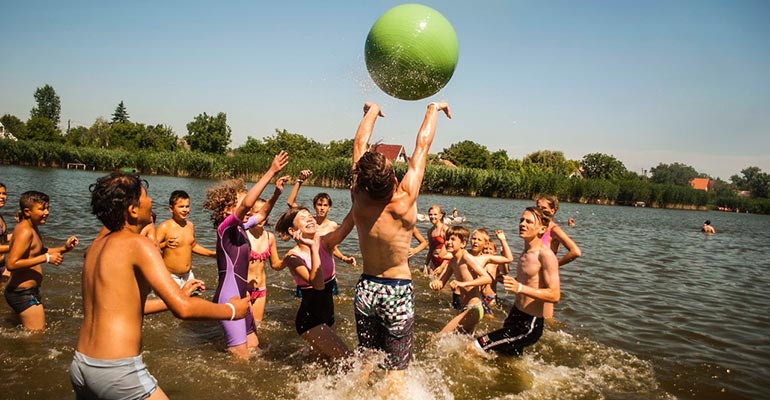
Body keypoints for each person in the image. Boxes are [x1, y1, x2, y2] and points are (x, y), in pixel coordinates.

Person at [70, 173, 250, 400]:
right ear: (133, 210)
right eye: (146, 197)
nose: (152, 201)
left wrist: (174, 297)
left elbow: (136, 307)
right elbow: (183, 309)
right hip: (117, 370)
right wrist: (233, 310)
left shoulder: (95, 248)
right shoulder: (138, 244)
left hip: (82, 366)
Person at [350, 101, 451, 390]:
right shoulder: (405, 198)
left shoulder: (359, 196)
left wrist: (371, 110)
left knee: (366, 361)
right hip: (397, 291)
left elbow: (359, 142)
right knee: (396, 373)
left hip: (366, 290)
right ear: (394, 178)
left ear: (362, 180)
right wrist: (433, 108)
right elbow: (422, 147)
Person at [202, 151, 289, 360]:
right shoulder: (225, 229)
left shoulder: (242, 227)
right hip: (229, 298)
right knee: (240, 356)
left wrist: (276, 194)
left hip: (243, 297)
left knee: (254, 346)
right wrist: (270, 171)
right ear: (226, 210)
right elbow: (248, 205)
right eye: (240, 202)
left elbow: (261, 214)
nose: (247, 209)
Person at [469, 206, 560, 356]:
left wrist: (519, 287)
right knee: (507, 358)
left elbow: (554, 295)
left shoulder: (546, 256)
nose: (522, 224)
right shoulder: (525, 252)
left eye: (529, 222)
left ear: (542, 229)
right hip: (515, 314)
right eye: (521, 220)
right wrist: (509, 281)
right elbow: (531, 281)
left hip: (529, 324)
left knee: (473, 347)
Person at [274, 206, 354, 358]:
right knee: (349, 360)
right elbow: (318, 285)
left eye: (310, 215)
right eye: (303, 218)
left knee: (328, 363)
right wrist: (312, 247)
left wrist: (356, 198)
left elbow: (347, 226)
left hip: (328, 316)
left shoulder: (325, 242)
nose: (310, 218)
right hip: (310, 321)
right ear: (292, 231)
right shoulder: (292, 257)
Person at [4, 191, 78, 330]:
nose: (47, 212)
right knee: (37, 337)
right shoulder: (25, 231)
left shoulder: (33, 227)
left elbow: (39, 251)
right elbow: (12, 263)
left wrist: (65, 248)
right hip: (22, 293)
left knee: (22, 332)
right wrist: (46, 258)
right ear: (27, 211)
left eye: (47, 208)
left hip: (26, 290)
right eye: (42, 209)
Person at [429, 226, 492, 335]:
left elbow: (487, 278)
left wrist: (462, 284)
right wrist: (435, 283)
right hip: (465, 308)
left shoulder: (466, 257)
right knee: (466, 345)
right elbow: (441, 283)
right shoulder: (452, 261)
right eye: (447, 239)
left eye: (453, 239)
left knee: (440, 337)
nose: (448, 242)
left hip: (474, 308)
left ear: (463, 244)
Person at [286, 169, 357, 266]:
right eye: (319, 205)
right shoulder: (308, 223)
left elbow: (333, 248)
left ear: (329, 208)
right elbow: (290, 202)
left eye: (325, 205)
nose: (322, 208)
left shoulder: (332, 225)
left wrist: (344, 258)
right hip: (309, 264)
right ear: (314, 206)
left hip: (326, 265)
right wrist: (300, 180)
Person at [155, 190, 216, 288]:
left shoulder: (190, 225)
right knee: (175, 303)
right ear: (171, 209)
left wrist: (211, 254)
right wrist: (164, 244)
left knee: (194, 300)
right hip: (171, 275)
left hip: (188, 275)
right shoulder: (164, 227)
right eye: (181, 207)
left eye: (187, 206)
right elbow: (152, 248)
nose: (185, 210)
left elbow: (193, 245)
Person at [536, 195, 581, 320]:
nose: (539, 210)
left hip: (546, 277)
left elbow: (575, 251)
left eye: (543, 208)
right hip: (534, 275)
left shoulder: (554, 230)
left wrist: (555, 264)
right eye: (538, 207)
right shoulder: (536, 227)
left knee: (546, 320)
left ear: (553, 210)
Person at [245, 198, 283, 325]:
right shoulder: (243, 235)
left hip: (260, 288)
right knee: (244, 327)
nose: (261, 217)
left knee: (257, 325)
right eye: (257, 213)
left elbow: (275, 264)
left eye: (265, 214)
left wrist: (288, 260)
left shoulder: (270, 237)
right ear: (250, 214)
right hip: (243, 288)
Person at [465, 228, 513, 315]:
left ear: (495, 252)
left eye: (490, 249)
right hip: (478, 295)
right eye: (485, 249)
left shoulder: (495, 264)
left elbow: (505, 271)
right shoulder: (480, 260)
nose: (487, 251)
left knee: (490, 315)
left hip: (490, 296)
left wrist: (503, 249)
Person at [423, 204, 449, 275]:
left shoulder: (445, 229)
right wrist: (426, 264)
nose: (432, 216)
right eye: (430, 214)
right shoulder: (430, 231)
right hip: (434, 261)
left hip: (444, 261)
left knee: (441, 284)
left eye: (435, 214)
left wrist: (442, 266)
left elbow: (450, 250)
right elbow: (430, 249)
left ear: (440, 216)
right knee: (430, 284)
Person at [0, 182, 11, 286]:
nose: (2, 197)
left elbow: (3, 238)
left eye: (4, 193)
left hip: (2, 266)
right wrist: (19, 247)